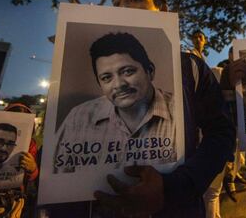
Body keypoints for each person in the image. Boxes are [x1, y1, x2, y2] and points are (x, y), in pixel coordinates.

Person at [89, 0, 235, 217]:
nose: (121, 7)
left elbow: (220, 133)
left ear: (162, 10)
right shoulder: (83, 114)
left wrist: (174, 187)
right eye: (116, 1)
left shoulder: (191, 68)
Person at [55, 32, 175, 171]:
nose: (118, 84)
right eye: (106, 78)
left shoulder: (181, 112)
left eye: (128, 71)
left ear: (150, 71)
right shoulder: (77, 118)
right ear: (100, 84)